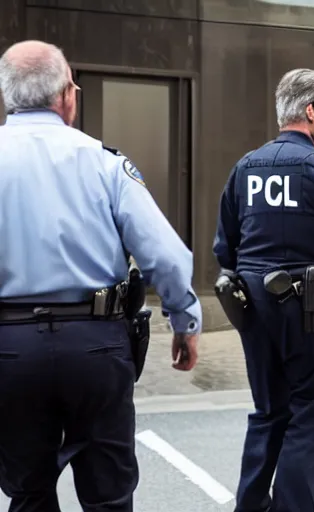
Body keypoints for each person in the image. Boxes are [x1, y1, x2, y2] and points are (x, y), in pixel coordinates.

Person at [0, 40, 201, 512]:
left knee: (27, 491)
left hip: (9, 348)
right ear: (66, 96)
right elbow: (165, 256)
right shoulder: (105, 163)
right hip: (95, 344)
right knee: (108, 495)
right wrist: (184, 320)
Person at [213, 68, 314, 512]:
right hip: (311, 319)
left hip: (255, 316)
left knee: (269, 412)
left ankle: (250, 505)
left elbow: (224, 249)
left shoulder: (244, 169)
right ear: (309, 110)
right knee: (312, 413)